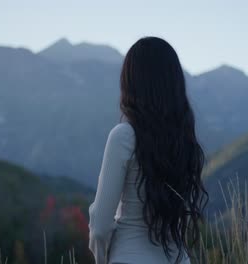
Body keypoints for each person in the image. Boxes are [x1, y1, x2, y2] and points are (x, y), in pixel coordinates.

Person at [88, 37, 208, 264]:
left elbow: (101, 225)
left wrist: (103, 258)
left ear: (131, 83)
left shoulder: (124, 136)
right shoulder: (185, 141)